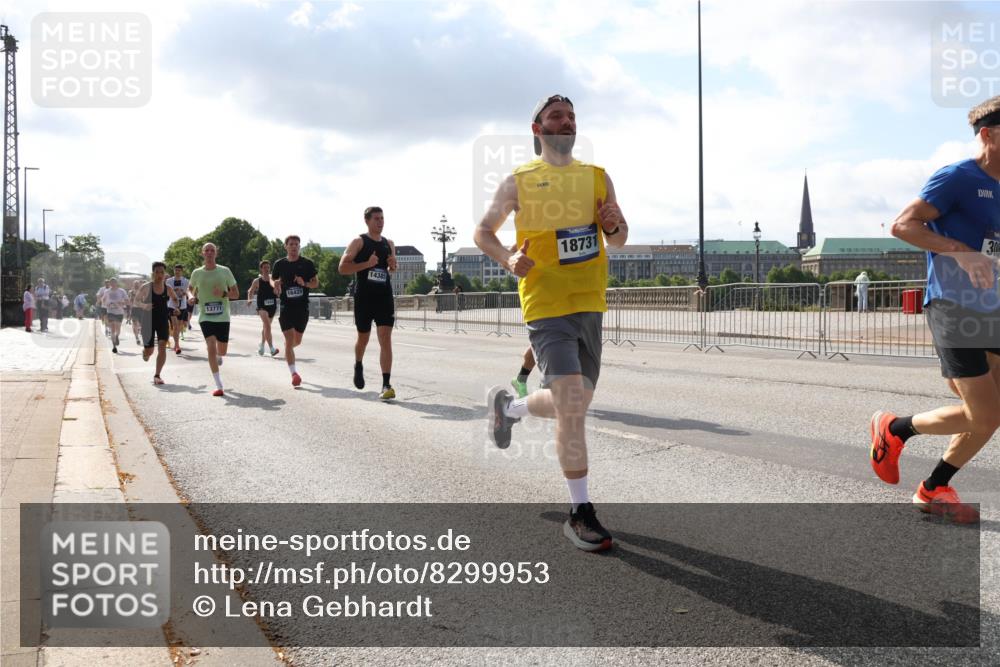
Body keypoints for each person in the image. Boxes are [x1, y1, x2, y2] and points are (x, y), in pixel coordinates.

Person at [475, 94, 629, 551]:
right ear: (538, 129)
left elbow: (618, 241)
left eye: (572, 116)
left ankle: (509, 409)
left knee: (572, 401)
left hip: (590, 304)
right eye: (556, 116)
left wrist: (615, 223)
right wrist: (507, 257)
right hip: (545, 305)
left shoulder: (596, 178)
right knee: (571, 403)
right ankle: (580, 511)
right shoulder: (520, 181)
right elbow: (483, 231)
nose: (566, 121)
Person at [870, 95, 1000, 525]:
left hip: (994, 307)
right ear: (988, 135)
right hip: (954, 304)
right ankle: (895, 429)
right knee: (986, 413)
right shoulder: (958, 177)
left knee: (988, 412)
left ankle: (933, 488)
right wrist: (959, 251)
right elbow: (903, 224)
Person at [339, 206, 398, 400]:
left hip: (384, 297)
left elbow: (391, 269)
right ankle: (358, 363)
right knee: (363, 338)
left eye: (382, 218)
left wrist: (393, 266)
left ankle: (386, 384)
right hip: (364, 299)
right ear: (367, 221)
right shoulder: (358, 242)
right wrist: (367, 264)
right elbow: (343, 268)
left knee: (385, 338)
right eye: (376, 219)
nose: (380, 222)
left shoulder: (389, 244)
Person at [189, 243, 238, 397]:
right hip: (205, 316)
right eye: (207, 250)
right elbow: (189, 289)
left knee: (221, 351)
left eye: (212, 250)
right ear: (202, 253)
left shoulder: (225, 271)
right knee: (210, 345)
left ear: (216, 253)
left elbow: (236, 294)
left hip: (223, 316)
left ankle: (218, 354)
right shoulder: (197, 273)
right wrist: (191, 297)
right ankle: (219, 385)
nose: (209, 253)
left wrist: (223, 294)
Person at [271, 236, 318, 387]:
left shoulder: (307, 263)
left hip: (302, 307)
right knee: (290, 341)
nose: (294, 247)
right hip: (286, 307)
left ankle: (287, 348)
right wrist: (275, 283)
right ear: (286, 246)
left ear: (299, 246)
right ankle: (294, 374)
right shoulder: (280, 264)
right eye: (291, 244)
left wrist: (304, 283)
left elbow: (316, 283)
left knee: (296, 341)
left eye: (296, 244)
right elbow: (273, 279)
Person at [133, 262, 176, 385]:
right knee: (150, 351)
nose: (160, 275)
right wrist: (144, 305)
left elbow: (174, 299)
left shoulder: (168, 288)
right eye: (157, 272)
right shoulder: (146, 287)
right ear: (153, 273)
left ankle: (157, 375)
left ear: (165, 274)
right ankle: (145, 352)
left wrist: (176, 307)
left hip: (162, 320)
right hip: (148, 321)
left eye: (162, 272)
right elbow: (136, 301)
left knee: (162, 347)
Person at [246, 260, 280, 357]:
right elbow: (250, 291)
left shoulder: (272, 279)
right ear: (261, 269)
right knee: (267, 325)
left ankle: (262, 345)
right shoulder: (257, 281)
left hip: (272, 306)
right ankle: (272, 349)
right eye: (264, 267)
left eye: (268, 267)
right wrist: (249, 299)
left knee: (266, 327)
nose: (266, 269)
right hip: (262, 306)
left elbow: (278, 292)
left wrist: (277, 290)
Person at [167, 265, 190, 355]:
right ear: (174, 271)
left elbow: (188, 292)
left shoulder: (186, 281)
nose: (177, 272)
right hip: (172, 305)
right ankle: (177, 345)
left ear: (182, 271)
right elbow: (167, 292)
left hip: (182, 305)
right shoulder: (169, 281)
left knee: (179, 326)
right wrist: (174, 292)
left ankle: (176, 342)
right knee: (176, 326)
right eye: (176, 270)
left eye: (179, 270)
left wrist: (182, 292)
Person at [103, 278, 130, 353]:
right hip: (110, 311)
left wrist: (121, 303)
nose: (112, 284)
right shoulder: (107, 291)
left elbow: (128, 301)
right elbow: (103, 300)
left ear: (116, 283)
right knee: (112, 329)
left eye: (113, 282)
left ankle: (117, 336)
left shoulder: (122, 291)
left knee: (118, 329)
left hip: (119, 312)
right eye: (111, 283)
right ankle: (114, 346)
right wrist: (106, 304)